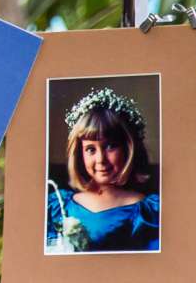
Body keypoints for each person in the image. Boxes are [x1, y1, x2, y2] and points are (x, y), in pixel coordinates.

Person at [44, 86, 160, 253]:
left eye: (111, 146)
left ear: (128, 148)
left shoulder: (147, 213)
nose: (101, 159)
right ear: (79, 153)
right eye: (91, 149)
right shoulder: (57, 205)